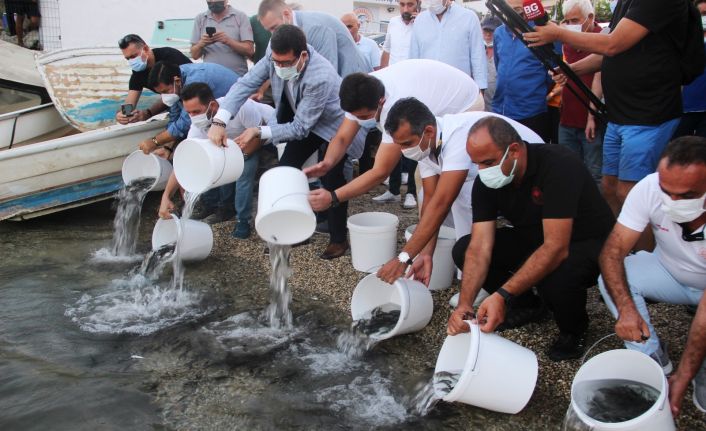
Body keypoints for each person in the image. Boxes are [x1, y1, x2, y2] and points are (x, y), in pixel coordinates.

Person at [447, 116, 615, 361]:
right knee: (463, 248)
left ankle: (574, 330)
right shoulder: (487, 182)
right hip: (534, 235)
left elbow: (556, 247)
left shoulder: (558, 164)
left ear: (514, 150)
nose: (482, 171)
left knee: (556, 275)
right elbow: (480, 245)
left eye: (488, 162)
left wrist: (501, 295)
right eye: (477, 164)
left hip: (587, 241)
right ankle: (528, 305)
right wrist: (465, 304)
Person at [207, 25, 364, 259]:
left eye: (285, 63)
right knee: (286, 168)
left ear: (303, 55)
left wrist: (258, 131)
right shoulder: (274, 54)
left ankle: (338, 239)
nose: (278, 67)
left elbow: (300, 128)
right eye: (276, 62)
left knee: (332, 179)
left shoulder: (320, 75)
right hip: (304, 119)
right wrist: (220, 121)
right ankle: (295, 231)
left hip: (334, 126)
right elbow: (245, 84)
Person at [524, 0, 692, 214]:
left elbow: (613, 44)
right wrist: (570, 70)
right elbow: (606, 56)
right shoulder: (626, 4)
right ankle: (619, 241)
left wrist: (558, 33)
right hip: (618, 114)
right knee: (610, 188)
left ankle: (642, 247)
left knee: (630, 193)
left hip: (648, 115)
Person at [375, 99, 542, 287]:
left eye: (406, 143)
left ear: (428, 131)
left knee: (461, 198)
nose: (404, 151)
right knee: (425, 197)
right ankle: (468, 264)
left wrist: (403, 258)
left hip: (528, 174)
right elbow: (431, 200)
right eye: (400, 145)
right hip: (494, 177)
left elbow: (442, 202)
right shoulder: (425, 144)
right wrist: (425, 253)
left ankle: (473, 274)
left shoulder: (457, 137)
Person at [596, 137, 706, 416]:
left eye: (687, 195)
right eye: (667, 191)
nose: (672, 202)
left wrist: (684, 376)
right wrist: (627, 311)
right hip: (669, 270)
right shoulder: (648, 187)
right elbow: (612, 252)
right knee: (612, 281)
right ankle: (651, 356)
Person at [306, 59, 481, 212]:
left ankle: (458, 226)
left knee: (447, 181)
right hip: (437, 93)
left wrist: (334, 197)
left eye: (364, 117)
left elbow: (381, 171)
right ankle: (432, 234)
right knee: (427, 186)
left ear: (381, 102)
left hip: (465, 103)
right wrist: (327, 163)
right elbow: (343, 137)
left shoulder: (394, 107)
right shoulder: (360, 91)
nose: (360, 121)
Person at [158, 83, 274, 239]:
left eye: (196, 111)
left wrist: (237, 158)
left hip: (262, 137)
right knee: (212, 166)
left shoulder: (240, 107)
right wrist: (166, 196)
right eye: (189, 113)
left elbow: (261, 134)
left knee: (243, 176)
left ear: (212, 105)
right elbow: (184, 161)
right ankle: (223, 209)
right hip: (230, 144)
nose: (193, 116)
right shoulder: (197, 124)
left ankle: (243, 220)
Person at [138, 61, 238, 159]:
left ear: (177, 81)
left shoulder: (196, 81)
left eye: (165, 91)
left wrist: (155, 141)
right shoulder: (177, 82)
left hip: (237, 113)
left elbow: (185, 122)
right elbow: (175, 116)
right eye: (161, 93)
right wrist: (167, 147)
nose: (164, 96)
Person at [492, 0, 560, 142]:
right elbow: (499, 65)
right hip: (501, 110)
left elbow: (553, 73)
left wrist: (534, 93)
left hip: (531, 112)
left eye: (517, 10)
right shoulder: (499, 33)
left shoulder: (543, 33)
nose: (511, 14)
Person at [257, 0, 371, 77]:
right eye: (269, 30)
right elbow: (264, 65)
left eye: (274, 27)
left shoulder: (315, 29)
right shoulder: (285, 33)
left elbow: (327, 75)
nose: (273, 34)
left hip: (353, 78)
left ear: (286, 15)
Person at [557, 0, 604, 185]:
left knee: (594, 174)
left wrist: (592, 116)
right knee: (567, 172)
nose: (570, 26)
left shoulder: (603, 38)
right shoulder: (567, 41)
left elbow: (598, 78)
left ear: (590, 17)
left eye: (575, 20)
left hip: (592, 120)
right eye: (567, 21)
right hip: (567, 118)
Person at [409, 0, 487, 92]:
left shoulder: (469, 18)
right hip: (427, 91)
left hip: (459, 92)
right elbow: (413, 58)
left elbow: (478, 57)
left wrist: (480, 89)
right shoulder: (420, 20)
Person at [116, 34, 191, 125]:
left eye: (134, 56)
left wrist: (149, 113)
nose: (132, 61)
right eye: (128, 59)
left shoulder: (170, 56)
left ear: (146, 49)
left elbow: (188, 87)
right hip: (174, 104)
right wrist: (121, 115)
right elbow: (129, 104)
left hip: (193, 97)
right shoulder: (138, 73)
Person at [190, 0, 254, 77]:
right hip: (210, 76)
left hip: (237, 76)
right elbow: (194, 55)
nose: (213, 2)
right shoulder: (200, 19)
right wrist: (201, 44)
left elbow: (249, 50)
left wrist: (228, 41)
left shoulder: (240, 17)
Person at [673, 0, 706, 139]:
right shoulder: (682, 41)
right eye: (703, 13)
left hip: (704, 111)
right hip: (682, 110)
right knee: (678, 151)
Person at [380, 0, 419, 68]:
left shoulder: (424, 25)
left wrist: (421, 23)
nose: (405, 10)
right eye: (402, 4)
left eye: (410, 5)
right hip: (393, 75)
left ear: (418, 4)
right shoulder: (393, 22)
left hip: (414, 75)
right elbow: (387, 49)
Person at [480, 15, 501, 112]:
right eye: (485, 31)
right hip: (482, 103)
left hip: (499, 103)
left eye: (491, 31)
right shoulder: (477, 50)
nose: (488, 34)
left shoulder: (502, 50)